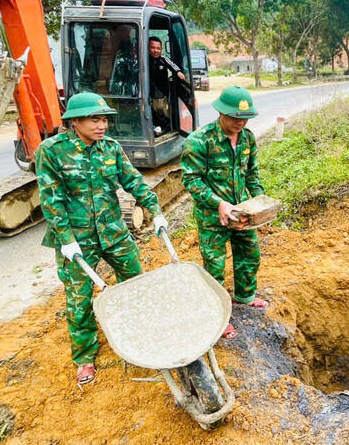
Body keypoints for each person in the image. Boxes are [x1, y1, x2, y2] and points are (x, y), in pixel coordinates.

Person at [36, 92, 169, 385]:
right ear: (76, 122)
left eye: (105, 119)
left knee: (136, 281)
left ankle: (143, 334)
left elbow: (133, 180)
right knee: (79, 299)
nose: (102, 125)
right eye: (95, 119)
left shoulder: (110, 148)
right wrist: (66, 239)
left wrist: (155, 210)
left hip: (113, 232)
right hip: (77, 240)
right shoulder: (52, 151)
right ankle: (85, 358)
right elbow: (51, 200)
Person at [180, 86, 265, 340]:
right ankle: (218, 317)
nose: (240, 122)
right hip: (212, 218)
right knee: (215, 267)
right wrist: (218, 203)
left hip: (243, 214)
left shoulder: (248, 138)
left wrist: (260, 203)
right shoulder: (199, 141)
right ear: (220, 112)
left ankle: (245, 297)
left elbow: (252, 174)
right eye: (234, 117)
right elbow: (191, 180)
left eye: (245, 117)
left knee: (249, 255)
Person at [148, 36, 189, 134]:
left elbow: (173, 65)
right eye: (153, 47)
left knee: (162, 109)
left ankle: (165, 126)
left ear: (161, 49)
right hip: (149, 90)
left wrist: (178, 72)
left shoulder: (163, 59)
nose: (156, 51)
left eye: (158, 48)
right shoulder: (144, 60)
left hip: (163, 90)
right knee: (152, 109)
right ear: (147, 48)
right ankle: (156, 127)